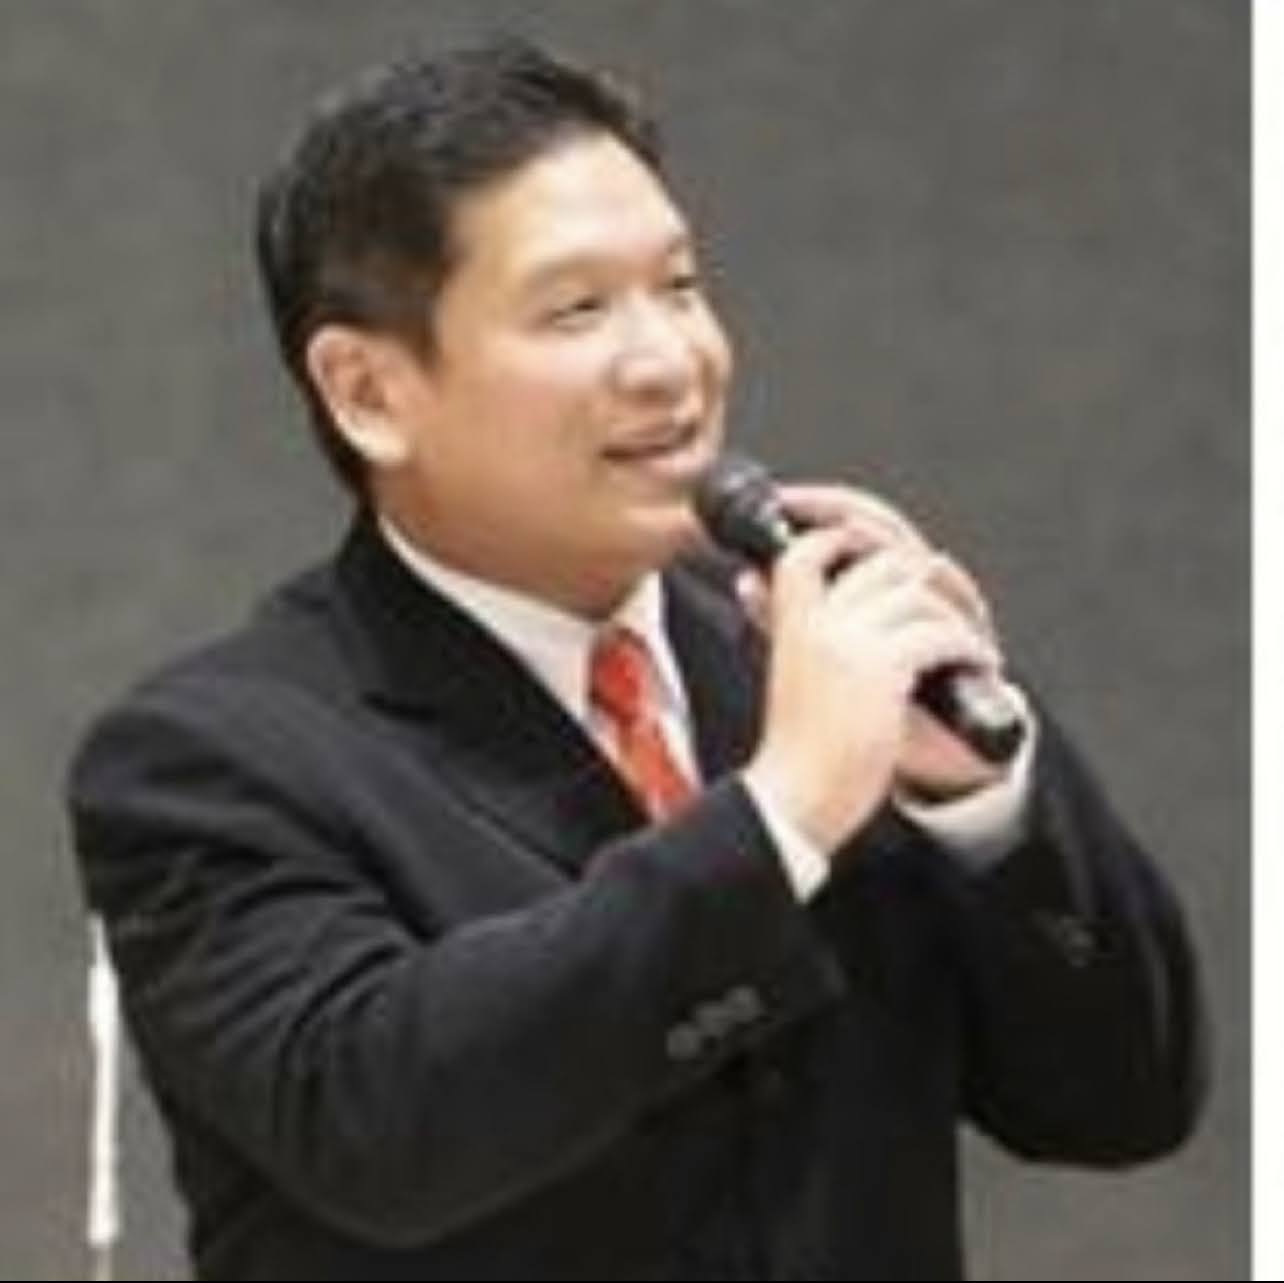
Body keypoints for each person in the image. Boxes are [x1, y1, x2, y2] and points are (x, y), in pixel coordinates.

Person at [67, 36, 1205, 1281]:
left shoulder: (805, 654)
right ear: (367, 392)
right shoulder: (209, 761)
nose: (670, 360)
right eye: (577, 310)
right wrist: (780, 816)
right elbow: (386, 1124)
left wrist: (980, 800)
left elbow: (1124, 1099)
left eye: (680, 284)